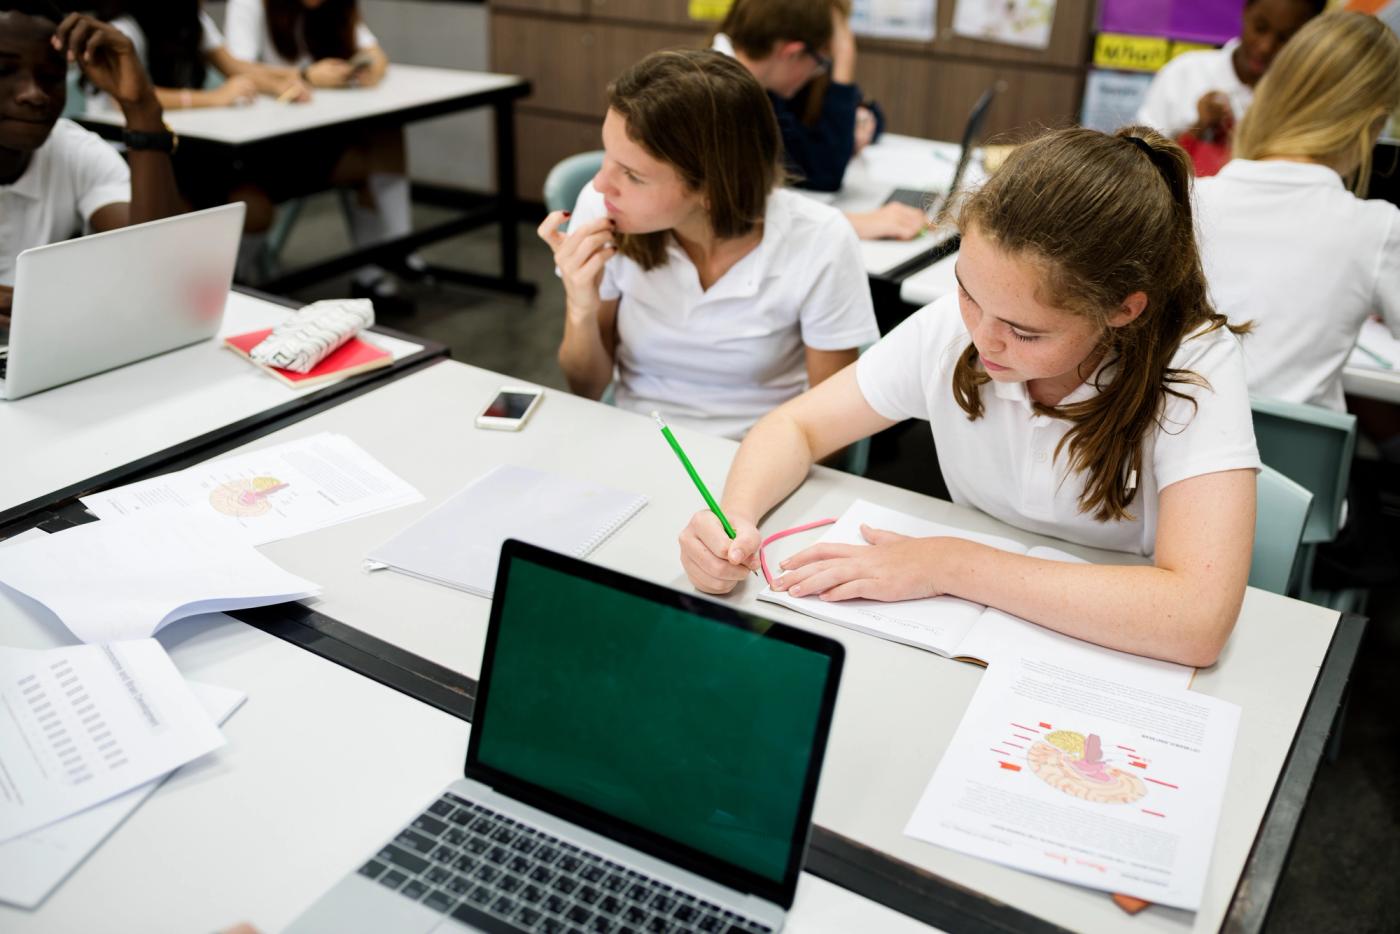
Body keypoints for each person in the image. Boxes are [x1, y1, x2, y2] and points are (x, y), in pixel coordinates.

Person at [680, 127, 1262, 668]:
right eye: (966, 292)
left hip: (1114, 650)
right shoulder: (954, 329)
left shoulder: (1193, 364)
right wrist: (734, 514)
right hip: (978, 637)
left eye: (1026, 331)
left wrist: (952, 564)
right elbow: (796, 429)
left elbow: (1197, 618)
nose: (983, 339)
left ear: (1122, 310)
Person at [537, 49, 879, 441]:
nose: (600, 184)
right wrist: (581, 306)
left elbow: (830, 424)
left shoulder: (821, 239)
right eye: (608, 156)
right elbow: (587, 388)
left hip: (765, 451)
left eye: (631, 174)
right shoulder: (603, 208)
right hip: (639, 439)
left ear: (712, 191)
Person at [1195, 11, 1400, 416]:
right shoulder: (1377, 228)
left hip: (1172, 465)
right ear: (1372, 123)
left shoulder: (1188, 198)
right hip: (1297, 472)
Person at [0, 3, 181, 331]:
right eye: (2, 71)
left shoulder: (74, 150)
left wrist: (141, 108)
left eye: (52, 77)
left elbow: (157, 269)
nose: (34, 94)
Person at [224, 0, 420, 300]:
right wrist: (304, 76)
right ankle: (237, 282)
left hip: (324, 130)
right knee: (253, 206)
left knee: (385, 135)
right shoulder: (249, 4)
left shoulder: (338, 8)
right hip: (270, 142)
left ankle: (389, 256)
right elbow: (237, 68)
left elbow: (374, 52)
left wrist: (370, 71)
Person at [714, 0, 926, 241]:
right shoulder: (717, 99)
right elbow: (738, 210)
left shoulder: (761, 82)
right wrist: (851, 223)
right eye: (822, 64)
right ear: (792, 53)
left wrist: (858, 110)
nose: (818, 73)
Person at [1135, 0, 1323, 141]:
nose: (1266, 47)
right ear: (1246, 11)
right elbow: (1139, 157)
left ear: (1305, 37)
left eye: (1285, 38)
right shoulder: (1185, 72)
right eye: (1260, 28)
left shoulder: (1305, 100)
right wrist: (1197, 130)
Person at [102, 0, 309, 110]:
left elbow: (233, 66)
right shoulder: (122, 28)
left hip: (172, 136)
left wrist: (278, 84)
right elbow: (127, 97)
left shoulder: (189, 18)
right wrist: (213, 98)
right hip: (123, 147)